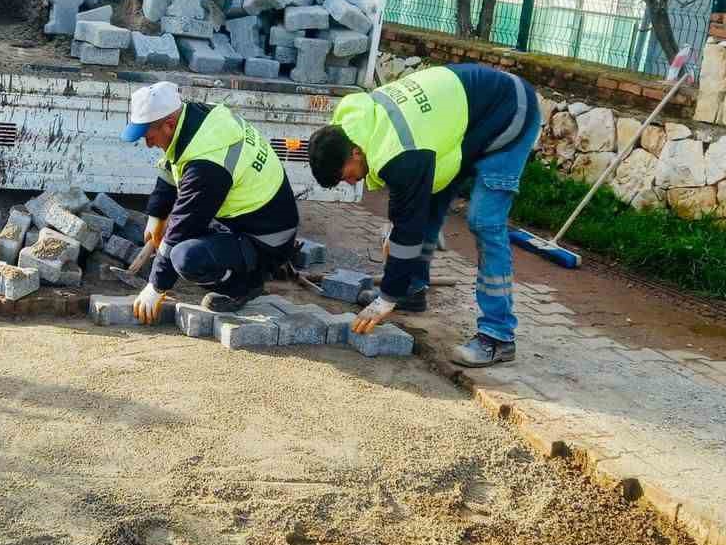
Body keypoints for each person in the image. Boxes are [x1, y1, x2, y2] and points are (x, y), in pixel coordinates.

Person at [308, 62, 541, 368]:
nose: (351, 182)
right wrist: (397, 239)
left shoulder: (400, 151)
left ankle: (498, 336)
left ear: (355, 153)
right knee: (425, 203)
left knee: (484, 222)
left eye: (345, 176)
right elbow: (409, 205)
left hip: (509, 112)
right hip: (463, 123)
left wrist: (386, 297)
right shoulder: (358, 126)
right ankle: (412, 290)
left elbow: (408, 226)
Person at [121, 81, 300, 323]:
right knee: (183, 237)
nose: (148, 143)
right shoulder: (196, 117)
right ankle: (238, 263)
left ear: (169, 124)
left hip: (268, 238)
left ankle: (244, 286)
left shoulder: (207, 162)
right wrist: (157, 215)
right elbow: (173, 163)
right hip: (253, 218)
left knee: (186, 258)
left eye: (148, 136)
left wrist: (156, 286)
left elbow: (184, 226)